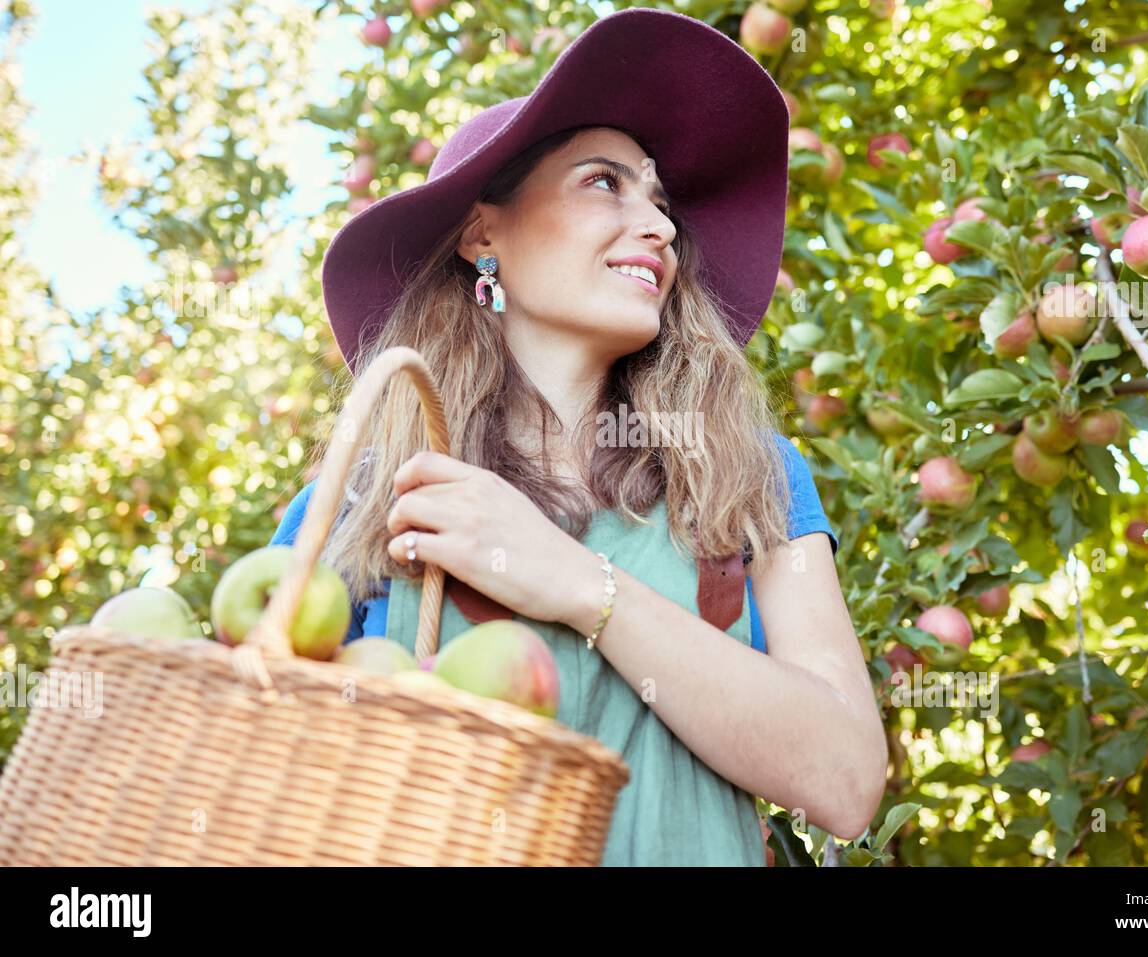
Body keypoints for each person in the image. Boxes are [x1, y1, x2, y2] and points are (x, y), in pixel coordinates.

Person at [270, 7, 887, 866]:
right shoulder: (364, 505)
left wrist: (576, 583)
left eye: (662, 202)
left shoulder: (751, 477)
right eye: (605, 182)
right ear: (484, 233)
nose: (661, 226)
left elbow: (847, 777)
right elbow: (278, 790)